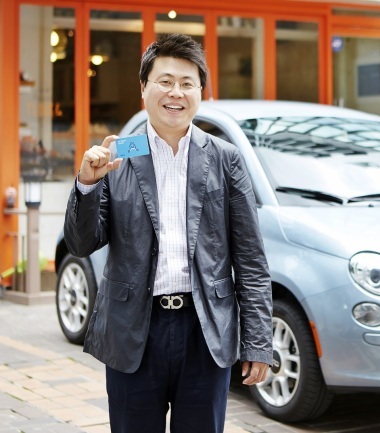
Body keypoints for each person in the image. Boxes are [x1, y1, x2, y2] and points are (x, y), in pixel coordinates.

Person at [64, 34, 273, 433]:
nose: (175, 92)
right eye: (165, 81)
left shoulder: (226, 159)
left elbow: (250, 259)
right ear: (144, 88)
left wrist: (258, 342)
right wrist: (88, 184)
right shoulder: (118, 156)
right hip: (133, 331)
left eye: (187, 83)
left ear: (200, 92)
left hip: (205, 329)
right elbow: (81, 243)